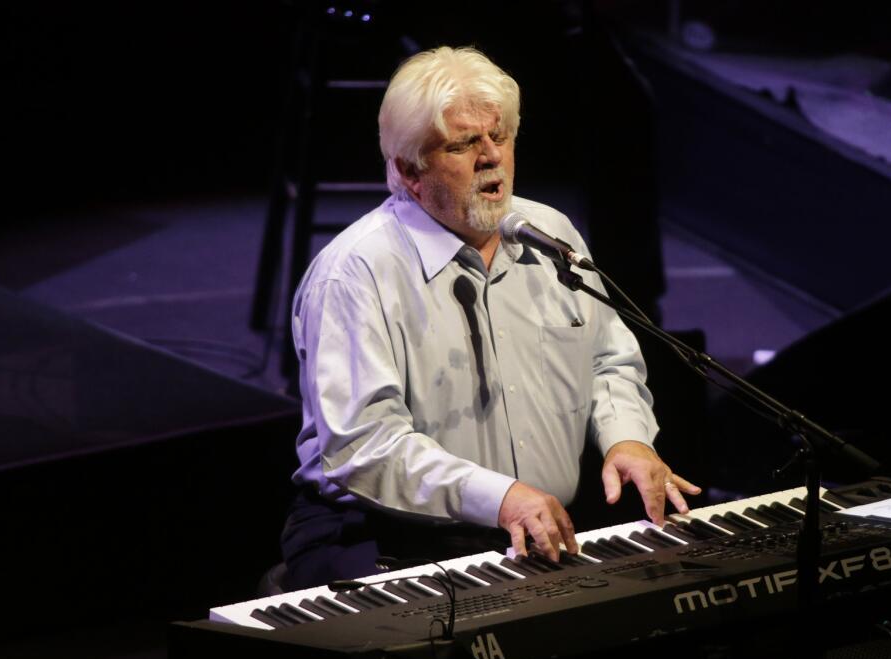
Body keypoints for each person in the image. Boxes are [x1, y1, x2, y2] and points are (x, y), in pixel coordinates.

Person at [280, 46, 699, 591]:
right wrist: (500, 497)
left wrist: (627, 439)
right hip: (385, 538)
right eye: (463, 144)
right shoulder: (356, 274)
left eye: (499, 137)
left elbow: (608, 361)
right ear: (410, 169)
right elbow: (364, 445)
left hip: (540, 529)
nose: (490, 157)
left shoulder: (552, 237)